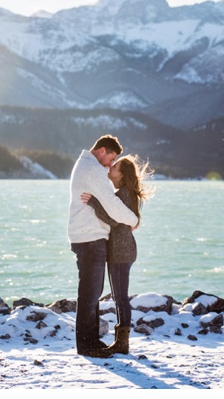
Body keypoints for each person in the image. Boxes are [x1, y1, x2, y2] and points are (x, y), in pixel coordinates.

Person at [68, 135, 140, 358]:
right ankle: (87, 345)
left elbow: (108, 204)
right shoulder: (94, 170)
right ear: (102, 151)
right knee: (89, 294)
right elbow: (111, 205)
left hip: (89, 237)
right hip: (89, 238)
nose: (111, 163)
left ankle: (92, 341)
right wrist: (134, 220)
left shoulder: (88, 165)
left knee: (92, 293)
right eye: (112, 158)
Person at [81, 153, 153, 355]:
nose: (110, 168)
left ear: (122, 174)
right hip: (121, 251)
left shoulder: (124, 193)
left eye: (115, 167)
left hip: (122, 252)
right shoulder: (125, 192)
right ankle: (121, 341)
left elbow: (113, 220)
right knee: (118, 296)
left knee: (120, 298)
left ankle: (122, 343)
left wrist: (94, 202)